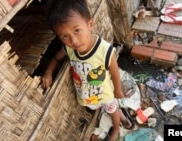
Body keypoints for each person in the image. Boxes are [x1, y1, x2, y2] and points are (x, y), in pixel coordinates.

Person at [42, 0, 133, 140]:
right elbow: (55, 59)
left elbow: (114, 72)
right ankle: (120, 115)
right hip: (86, 95)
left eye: (77, 31)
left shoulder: (105, 50)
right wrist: (48, 72)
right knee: (99, 108)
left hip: (105, 94)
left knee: (112, 110)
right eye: (64, 36)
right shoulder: (69, 49)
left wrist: (118, 90)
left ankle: (116, 128)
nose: (74, 41)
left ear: (90, 24)